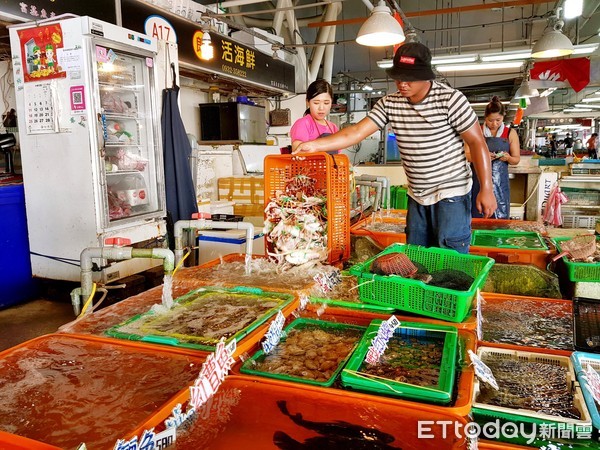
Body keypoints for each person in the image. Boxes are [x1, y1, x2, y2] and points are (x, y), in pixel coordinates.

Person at [294, 42, 496, 254]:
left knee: (449, 259)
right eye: (397, 76)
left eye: (408, 77)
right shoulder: (390, 103)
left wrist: (487, 188)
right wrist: (313, 145)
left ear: (426, 76)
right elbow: (355, 132)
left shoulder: (451, 100)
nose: (401, 83)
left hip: (451, 194)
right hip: (417, 195)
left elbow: (477, 143)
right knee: (416, 259)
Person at [466, 96, 520, 219]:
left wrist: (508, 158)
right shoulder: (475, 131)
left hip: (501, 184)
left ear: (503, 117)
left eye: (498, 120)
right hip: (478, 182)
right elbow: (466, 155)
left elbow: (516, 159)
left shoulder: (510, 133)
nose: (494, 124)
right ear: (485, 118)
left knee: (500, 218)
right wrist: (481, 157)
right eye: (490, 120)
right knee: (477, 215)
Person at [290, 79, 340, 154]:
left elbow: (338, 155)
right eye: (316, 103)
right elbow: (297, 150)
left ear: (331, 103)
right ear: (307, 102)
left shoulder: (333, 127)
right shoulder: (303, 124)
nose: (321, 108)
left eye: (326, 103)